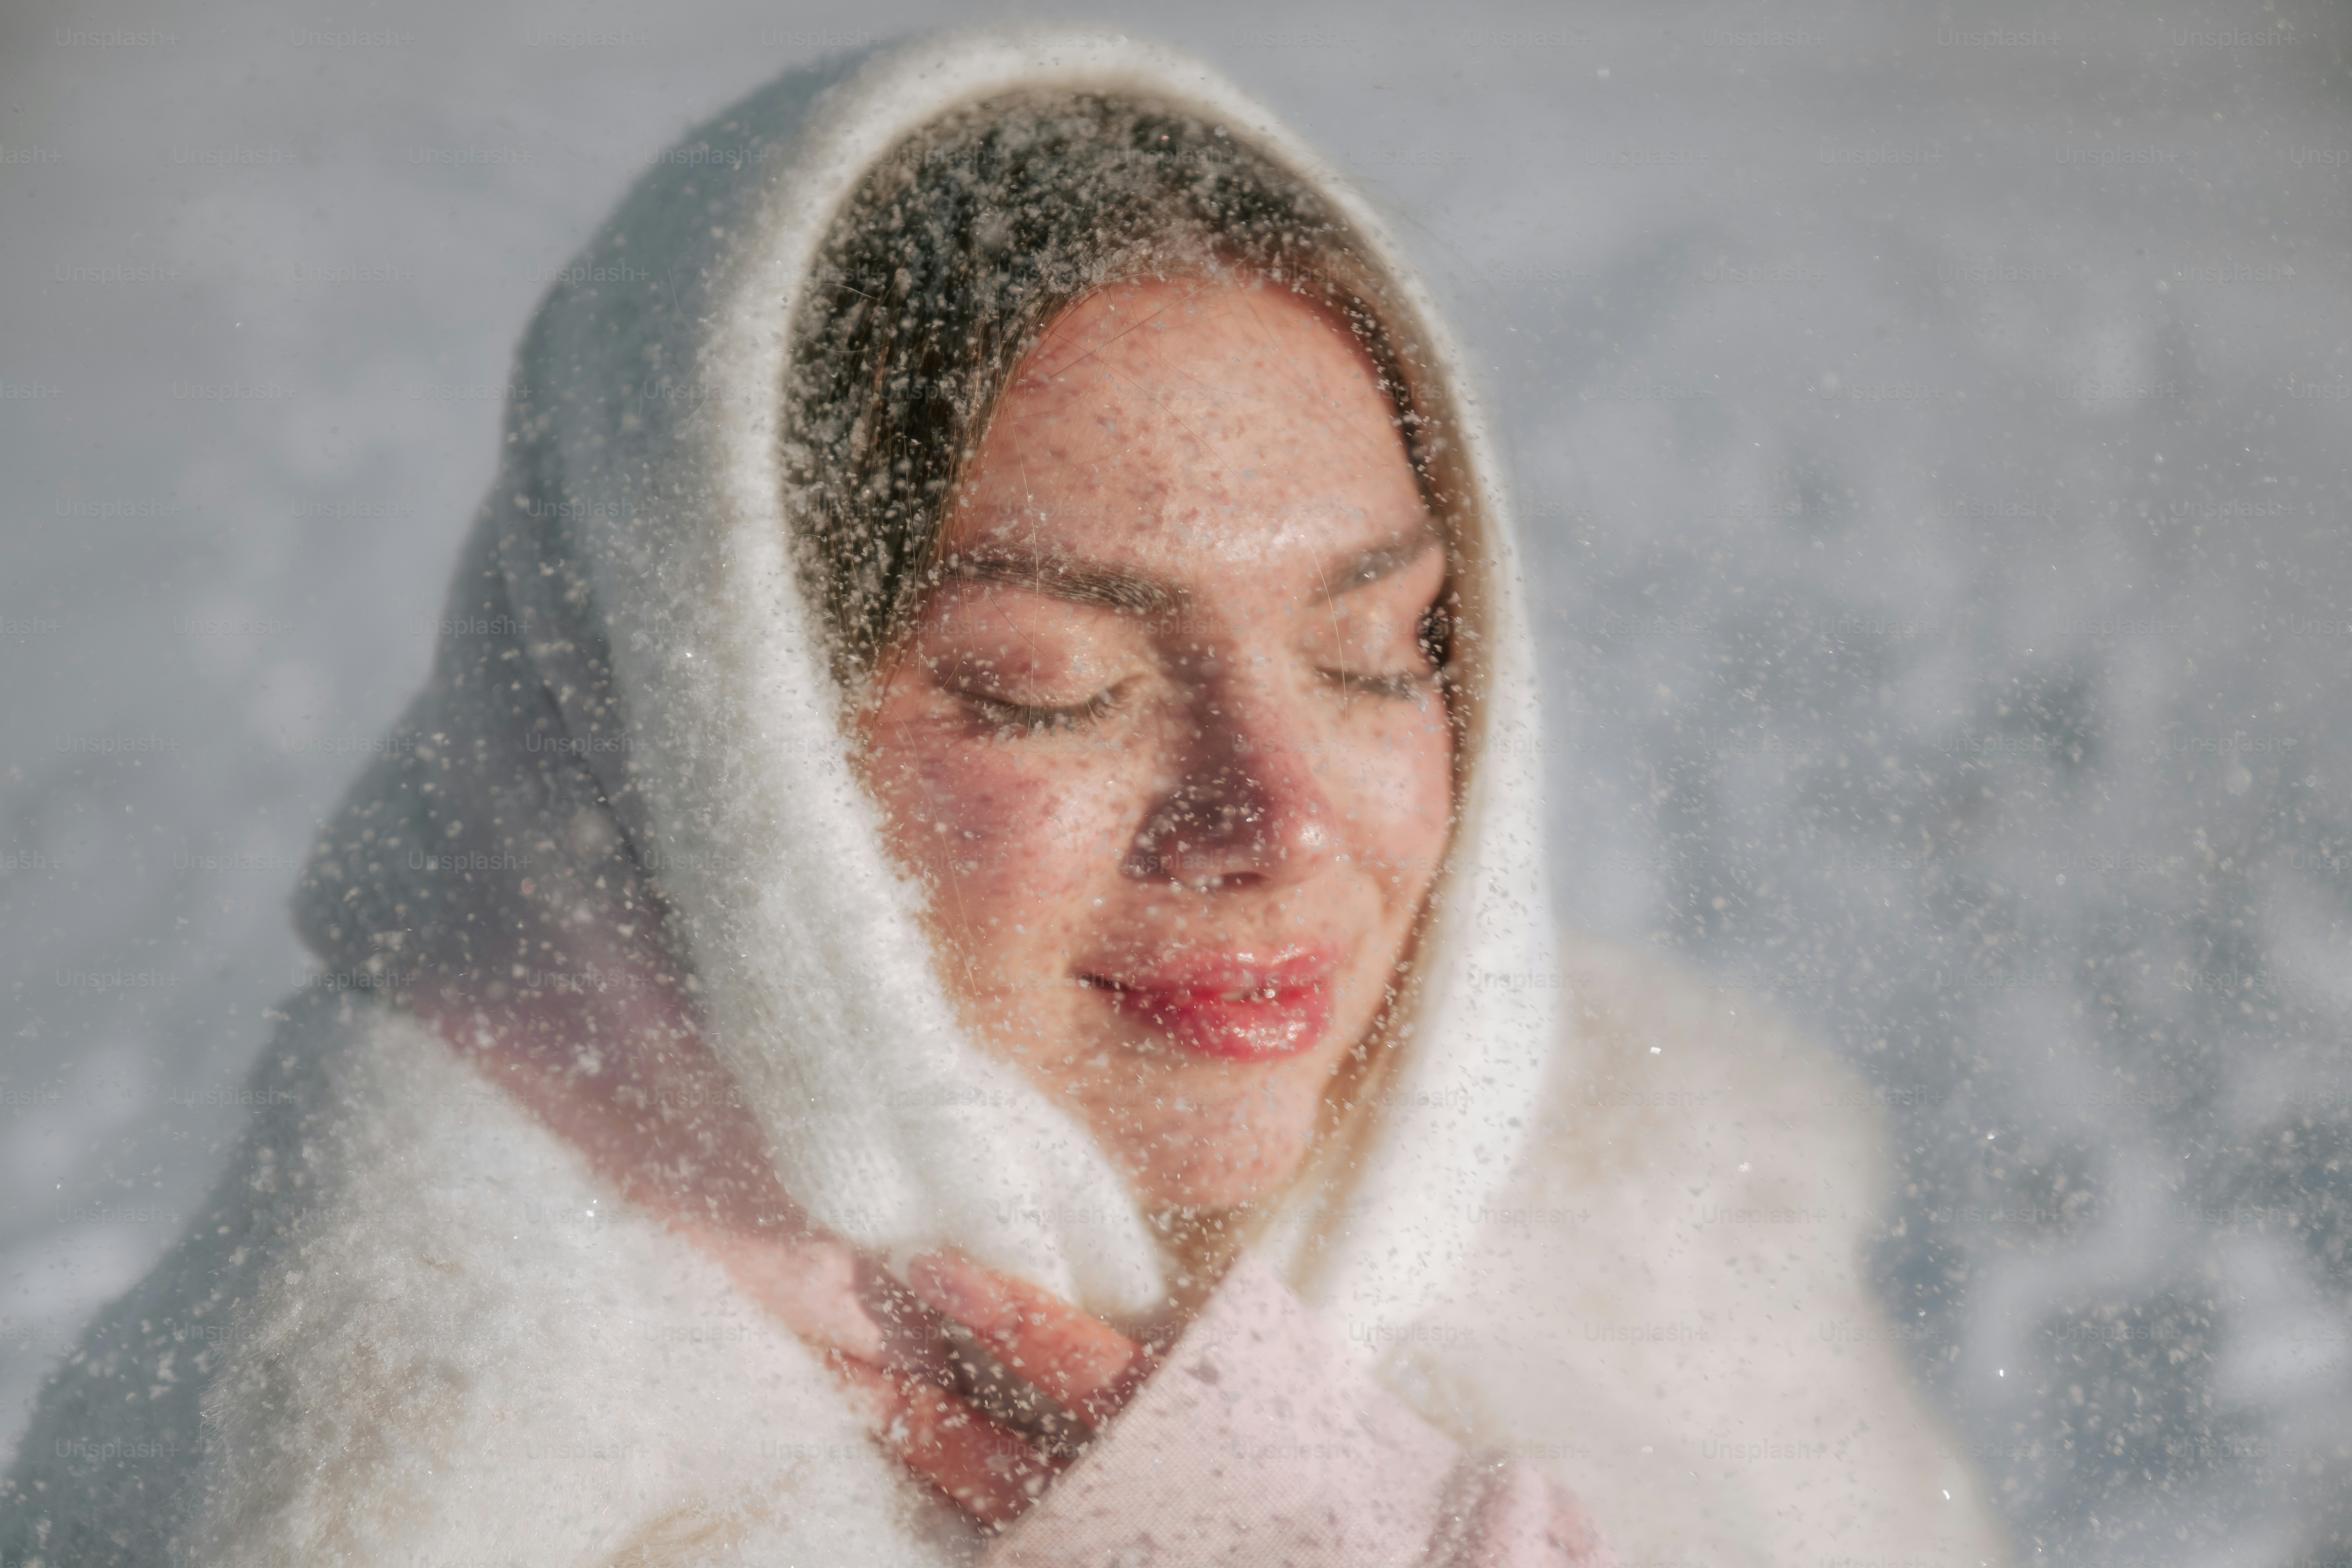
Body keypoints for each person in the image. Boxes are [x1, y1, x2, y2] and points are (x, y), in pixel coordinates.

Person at [0, 27, 2010, 1567]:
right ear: (712, 743)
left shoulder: (1656, 1232)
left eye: (1377, 647)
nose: (1278, 815)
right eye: (1054, 687)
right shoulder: (424, 1441)